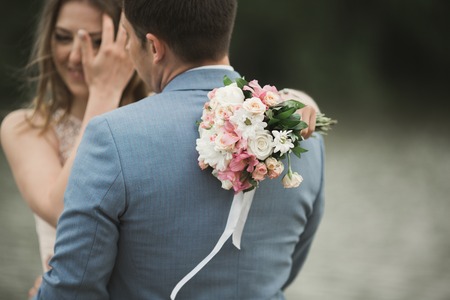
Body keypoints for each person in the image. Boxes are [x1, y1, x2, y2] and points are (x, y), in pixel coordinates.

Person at [28, 0, 326, 299]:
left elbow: (73, 289)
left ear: (154, 48)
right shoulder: (303, 135)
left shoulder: (111, 136)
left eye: (128, 39)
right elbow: (288, 267)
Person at [0, 0, 148, 297]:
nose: (75, 55)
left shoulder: (154, 118)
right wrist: (104, 92)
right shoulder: (25, 128)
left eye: (97, 41)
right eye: (63, 37)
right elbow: (63, 209)